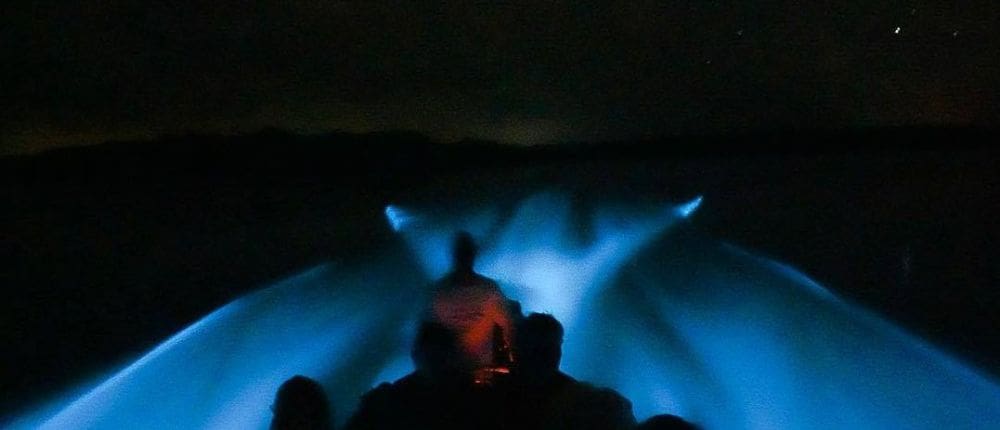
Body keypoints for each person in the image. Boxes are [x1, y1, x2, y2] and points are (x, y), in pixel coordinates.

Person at [511, 313, 636, 430]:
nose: (552, 354)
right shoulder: (575, 397)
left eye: (555, 346)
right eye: (542, 348)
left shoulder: (577, 398)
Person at [426, 231, 515, 374]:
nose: (464, 257)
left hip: (477, 372)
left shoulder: (489, 289)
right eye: (462, 252)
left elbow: (508, 329)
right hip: (448, 373)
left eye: (466, 252)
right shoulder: (439, 291)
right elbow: (427, 334)